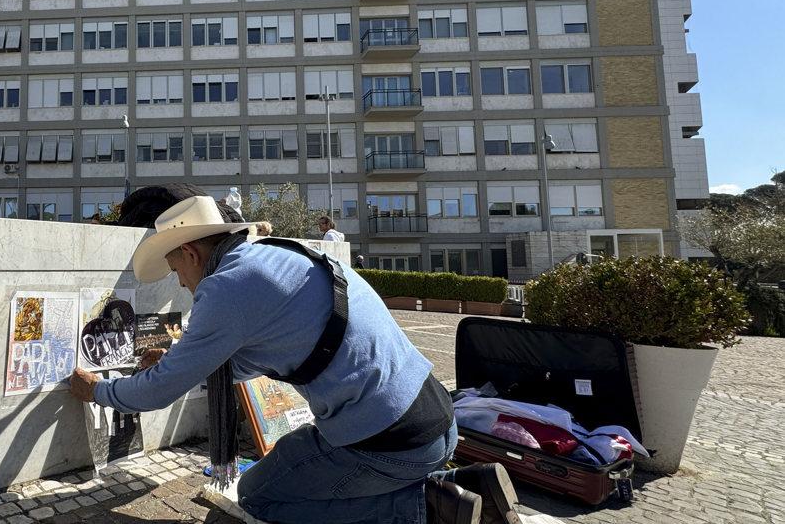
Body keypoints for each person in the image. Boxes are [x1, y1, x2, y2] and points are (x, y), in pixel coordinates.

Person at [68, 189, 515, 524]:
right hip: (435, 417)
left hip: (390, 443)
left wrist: (99, 390)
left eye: (176, 270)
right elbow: (253, 359)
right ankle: (471, 488)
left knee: (263, 498)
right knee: (287, 460)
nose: (180, 284)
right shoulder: (280, 253)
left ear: (189, 251)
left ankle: (426, 507)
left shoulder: (223, 288)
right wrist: (179, 361)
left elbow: (158, 392)